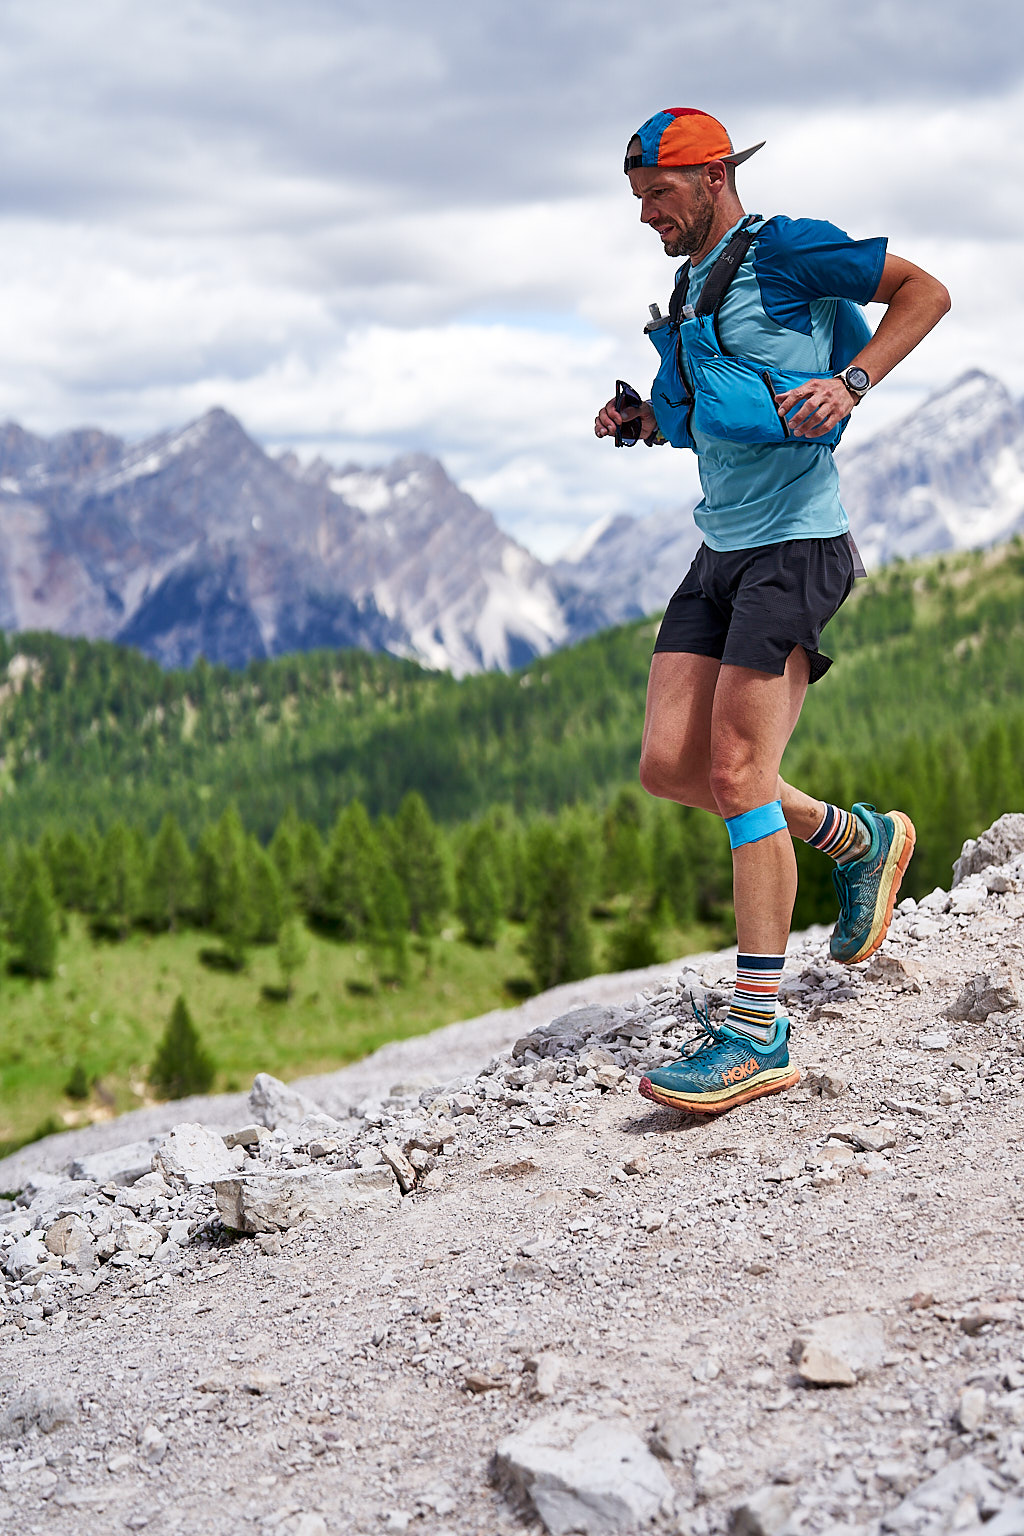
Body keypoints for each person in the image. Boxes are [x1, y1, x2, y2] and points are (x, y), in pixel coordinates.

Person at [594, 108, 949, 1116]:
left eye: (659, 194)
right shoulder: (686, 286)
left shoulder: (785, 250)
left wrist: (851, 381)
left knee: (739, 773)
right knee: (671, 766)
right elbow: (711, 410)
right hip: (723, 551)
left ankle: (756, 1031)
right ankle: (856, 839)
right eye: (637, 200)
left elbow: (926, 292)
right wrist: (643, 418)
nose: (647, 215)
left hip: (797, 548)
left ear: (711, 177)